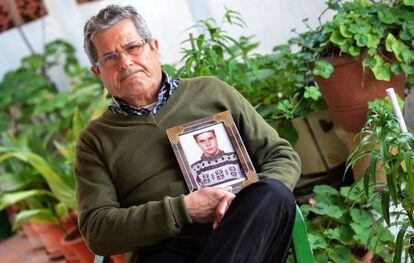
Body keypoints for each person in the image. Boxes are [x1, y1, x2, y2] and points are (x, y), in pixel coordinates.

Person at [75, 4, 301, 263]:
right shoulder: (95, 140)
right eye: (110, 57)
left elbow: (281, 156)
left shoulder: (211, 92)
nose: (125, 62)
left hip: (240, 225)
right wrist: (183, 210)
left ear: (154, 47)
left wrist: (238, 204)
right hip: (164, 248)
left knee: (273, 193)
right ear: (98, 71)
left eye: (132, 47)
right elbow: (97, 229)